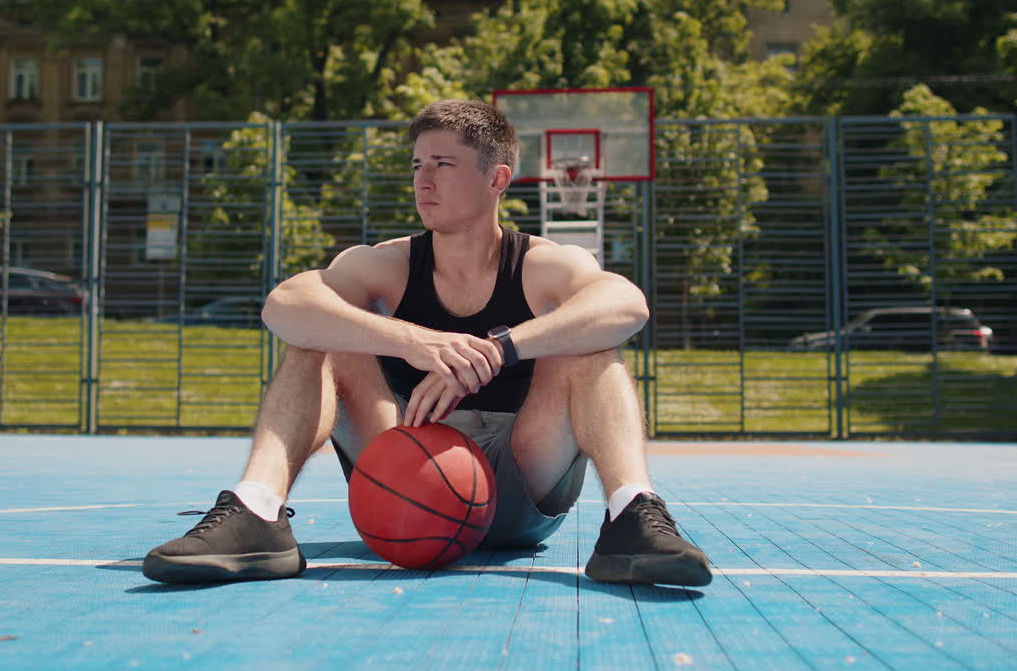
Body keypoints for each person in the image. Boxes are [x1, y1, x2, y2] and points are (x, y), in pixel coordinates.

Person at [142, 99, 712, 587]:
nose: (423, 179)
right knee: (322, 334)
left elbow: (625, 305)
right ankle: (258, 511)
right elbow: (284, 305)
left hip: (519, 482)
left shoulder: (542, 265)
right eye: (418, 164)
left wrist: (500, 348)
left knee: (587, 344)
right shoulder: (386, 264)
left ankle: (632, 513)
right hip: (404, 471)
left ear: (497, 179)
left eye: (443, 164)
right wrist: (410, 339)